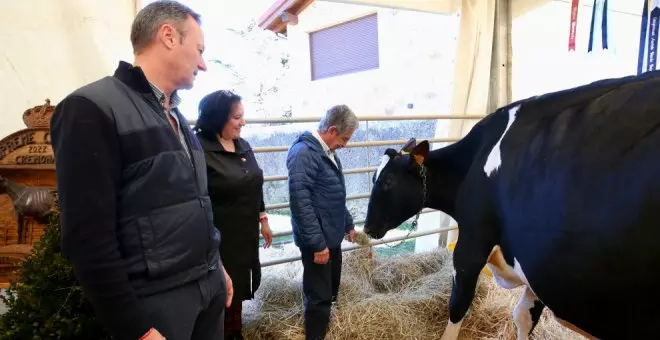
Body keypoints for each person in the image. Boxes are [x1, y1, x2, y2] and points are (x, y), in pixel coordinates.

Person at [50, 2, 233, 340]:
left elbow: (196, 202)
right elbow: (87, 236)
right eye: (200, 50)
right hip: (157, 302)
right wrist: (134, 327)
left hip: (205, 287)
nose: (204, 64)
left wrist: (216, 265)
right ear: (168, 36)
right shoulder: (91, 108)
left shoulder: (175, 115)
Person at [194, 90, 274, 340]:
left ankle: (234, 332)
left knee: (237, 290)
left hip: (243, 236)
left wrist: (263, 218)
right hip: (218, 238)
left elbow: (254, 181)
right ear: (218, 118)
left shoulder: (242, 145)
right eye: (237, 117)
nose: (243, 122)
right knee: (219, 296)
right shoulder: (199, 150)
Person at [286, 104, 359, 340]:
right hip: (318, 240)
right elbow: (300, 201)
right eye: (344, 138)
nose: (345, 145)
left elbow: (334, 194)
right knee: (318, 296)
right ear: (332, 129)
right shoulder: (304, 153)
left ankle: (325, 331)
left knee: (330, 290)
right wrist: (317, 244)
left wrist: (347, 223)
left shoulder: (327, 152)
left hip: (331, 235)